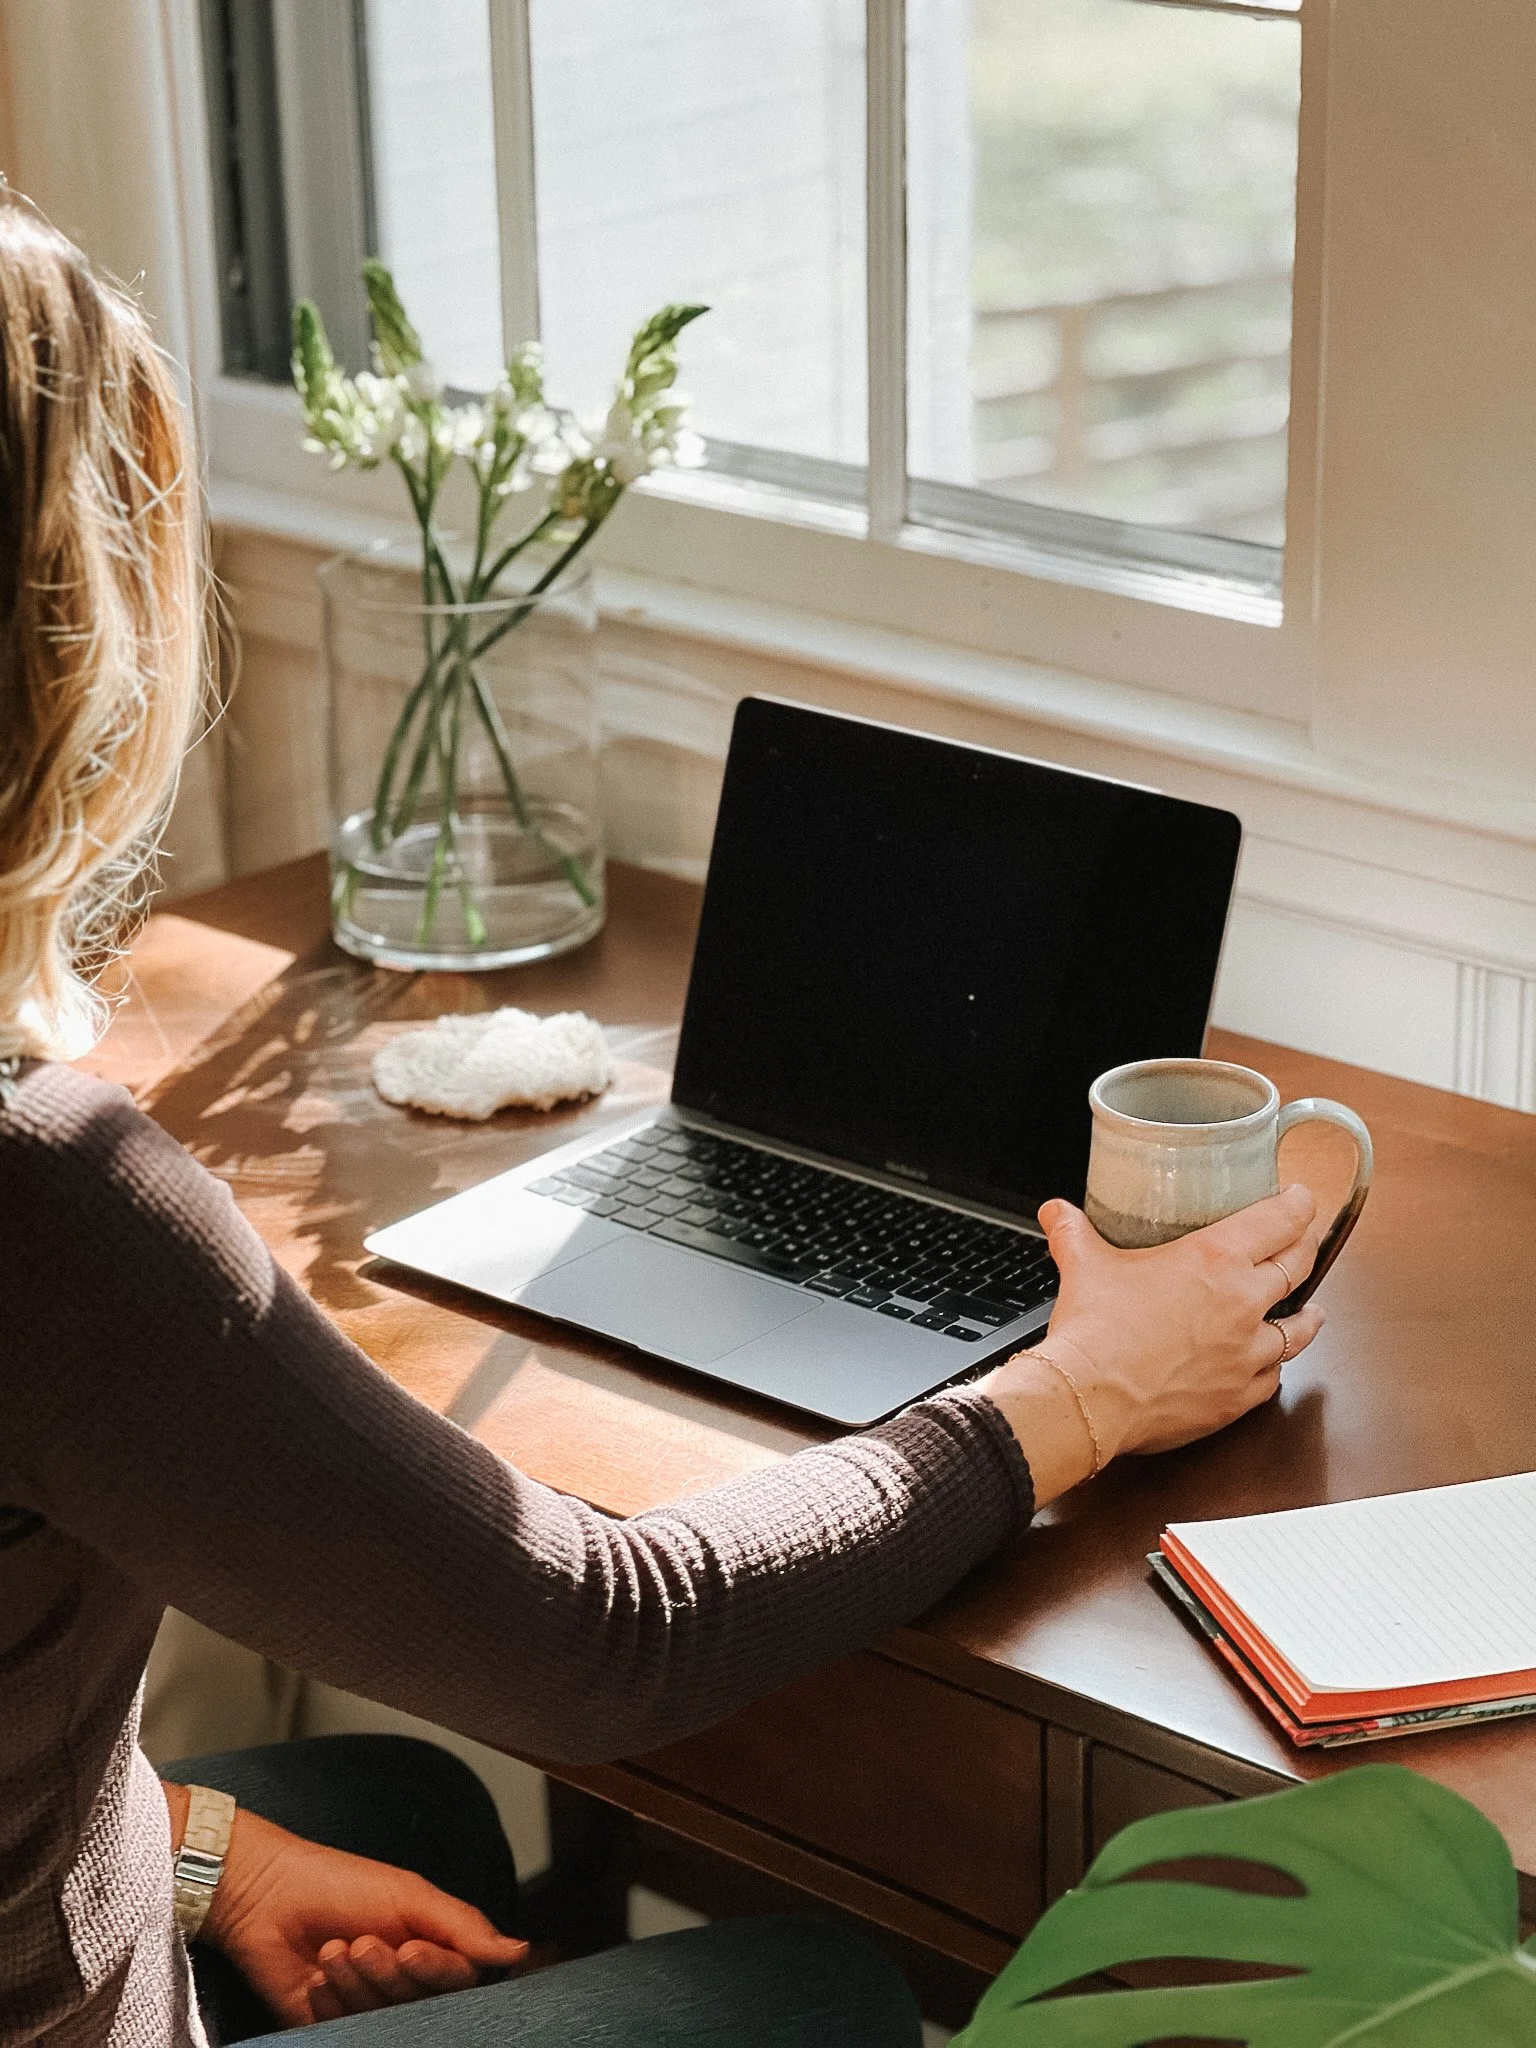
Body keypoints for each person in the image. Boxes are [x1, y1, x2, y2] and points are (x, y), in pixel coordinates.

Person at [0, 187, 1325, 2048]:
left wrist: (207, 1854)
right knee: (816, 1988)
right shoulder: (39, 1198)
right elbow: (602, 1636)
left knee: (412, 1810)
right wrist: (1086, 1390)